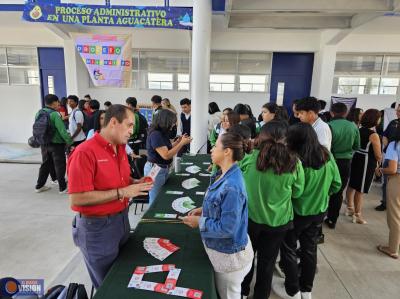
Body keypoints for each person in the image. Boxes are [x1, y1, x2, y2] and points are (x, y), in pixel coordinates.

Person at [67, 104, 153, 289]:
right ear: (113, 122)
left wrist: (134, 182)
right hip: (97, 228)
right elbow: (77, 199)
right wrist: (122, 192)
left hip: (121, 221)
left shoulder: (120, 148)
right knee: (108, 285)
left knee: (124, 276)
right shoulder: (84, 153)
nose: (132, 131)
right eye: (129, 125)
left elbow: (119, 179)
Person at [182, 132, 254, 299]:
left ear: (227, 151)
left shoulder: (232, 186)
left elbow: (227, 228)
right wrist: (204, 209)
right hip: (225, 251)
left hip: (230, 259)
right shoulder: (224, 174)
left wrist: (200, 222)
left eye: (215, 146)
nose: (212, 150)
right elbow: (221, 205)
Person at [273, 123, 341, 299]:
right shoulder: (327, 156)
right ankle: (306, 290)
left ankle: (293, 289)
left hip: (296, 213)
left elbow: (293, 190)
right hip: (319, 212)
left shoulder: (294, 159)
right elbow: (337, 184)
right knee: (309, 249)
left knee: (288, 249)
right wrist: (322, 196)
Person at [240, 121, 305, 299]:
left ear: (262, 136)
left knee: (246, 258)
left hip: (251, 219)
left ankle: (243, 292)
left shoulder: (251, 158)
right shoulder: (295, 163)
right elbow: (298, 192)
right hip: (278, 222)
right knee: (267, 263)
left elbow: (237, 183)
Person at [144, 109, 192, 204]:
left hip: (162, 168)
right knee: (155, 200)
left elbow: (167, 148)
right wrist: (181, 143)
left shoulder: (162, 132)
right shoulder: (155, 134)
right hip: (155, 169)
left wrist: (178, 142)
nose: (174, 124)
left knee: (161, 198)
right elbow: (166, 155)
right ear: (165, 121)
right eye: (172, 122)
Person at [325, 103, 360, 229]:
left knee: (325, 189)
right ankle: (332, 220)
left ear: (331, 113)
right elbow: (357, 146)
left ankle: (321, 216)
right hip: (346, 163)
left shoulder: (328, 126)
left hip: (331, 162)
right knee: (338, 192)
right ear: (345, 113)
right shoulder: (353, 126)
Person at [346, 109, 382, 224]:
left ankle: (349, 208)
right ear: (375, 119)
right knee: (360, 189)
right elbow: (377, 154)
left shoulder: (359, 129)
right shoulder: (373, 135)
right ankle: (357, 215)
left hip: (357, 157)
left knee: (352, 185)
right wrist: (379, 163)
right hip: (366, 161)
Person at [35, 94, 73, 194]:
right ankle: (62, 188)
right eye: (58, 102)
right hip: (56, 144)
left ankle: (39, 186)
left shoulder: (39, 113)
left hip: (44, 143)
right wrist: (70, 142)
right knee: (60, 165)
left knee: (45, 165)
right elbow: (62, 131)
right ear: (54, 103)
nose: (59, 104)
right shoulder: (55, 114)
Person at [376, 126, 400, 259]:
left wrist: (380, 170)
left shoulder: (394, 144)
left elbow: (392, 169)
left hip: (397, 181)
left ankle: (392, 248)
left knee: (395, 215)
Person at [376, 103, 400, 211]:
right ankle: (385, 202)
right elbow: (385, 136)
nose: (397, 112)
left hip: (395, 159)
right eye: (397, 110)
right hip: (391, 156)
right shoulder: (393, 123)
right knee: (386, 181)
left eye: (399, 111)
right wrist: (389, 147)